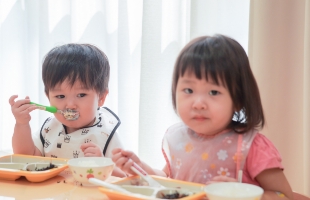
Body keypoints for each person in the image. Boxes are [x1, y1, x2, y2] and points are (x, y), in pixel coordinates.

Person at [112, 34, 294, 199]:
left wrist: (243, 194)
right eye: (188, 90)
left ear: (238, 99)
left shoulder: (250, 146)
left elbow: (285, 195)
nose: (198, 103)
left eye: (214, 92)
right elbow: (170, 181)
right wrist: (141, 168)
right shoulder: (178, 138)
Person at [9, 43, 126, 177]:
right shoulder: (50, 128)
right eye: (60, 96)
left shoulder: (106, 133)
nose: (70, 105)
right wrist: (21, 124)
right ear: (48, 97)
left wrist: (102, 163)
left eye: (81, 95)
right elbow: (26, 157)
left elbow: (125, 177)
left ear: (101, 97)